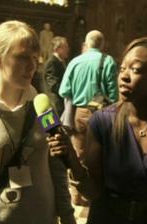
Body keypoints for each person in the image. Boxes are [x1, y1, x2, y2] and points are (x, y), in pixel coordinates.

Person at [49, 37, 147, 224]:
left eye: (136, 70)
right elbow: (93, 191)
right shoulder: (103, 122)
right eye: (122, 69)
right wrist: (72, 160)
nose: (124, 76)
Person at [0, 20, 76, 224]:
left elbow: (57, 166)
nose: (32, 66)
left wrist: (67, 216)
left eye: (35, 58)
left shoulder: (43, 107)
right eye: (22, 57)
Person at [59, 30, 118, 205]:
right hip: (102, 114)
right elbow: (114, 94)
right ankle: (96, 195)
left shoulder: (75, 62)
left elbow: (63, 91)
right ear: (103, 44)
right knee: (102, 155)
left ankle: (77, 196)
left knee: (78, 155)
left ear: (86, 43)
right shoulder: (107, 61)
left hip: (80, 114)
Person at [44, 36, 70, 115]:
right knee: (53, 127)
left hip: (60, 103)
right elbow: (53, 85)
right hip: (54, 105)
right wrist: (68, 91)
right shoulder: (52, 62)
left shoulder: (60, 62)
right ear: (58, 49)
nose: (68, 49)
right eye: (65, 47)